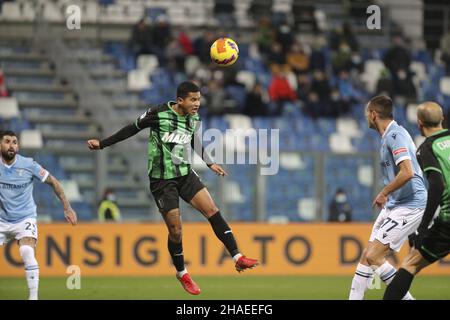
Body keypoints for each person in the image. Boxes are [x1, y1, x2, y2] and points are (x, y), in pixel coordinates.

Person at [87, 81, 258, 295]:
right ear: (180, 100)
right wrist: (103, 143)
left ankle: (237, 257)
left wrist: (209, 162)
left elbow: (194, 140)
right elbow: (131, 129)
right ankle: (182, 273)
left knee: (212, 210)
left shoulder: (193, 118)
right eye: (193, 100)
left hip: (184, 173)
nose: (197, 103)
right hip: (162, 181)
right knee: (176, 231)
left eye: (198, 99)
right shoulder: (157, 113)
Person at [348, 95, 427, 300]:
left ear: (374, 114)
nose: (366, 117)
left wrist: (384, 192)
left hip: (410, 205)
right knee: (368, 256)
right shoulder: (388, 137)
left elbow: (407, 172)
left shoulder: (396, 135)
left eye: (367, 114)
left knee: (374, 255)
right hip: (396, 205)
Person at [384, 102, 450, 300]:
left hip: (447, 222)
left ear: (420, 123)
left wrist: (421, 228)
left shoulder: (427, 149)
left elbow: (437, 186)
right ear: (442, 119)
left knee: (410, 264)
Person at [0, 130, 77, 300]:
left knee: (27, 250)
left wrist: (67, 207)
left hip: (24, 218)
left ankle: (33, 298)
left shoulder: (28, 164)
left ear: (18, 146)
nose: (11, 145)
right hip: (1, 219)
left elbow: (53, 182)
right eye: (7, 141)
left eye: (14, 142)